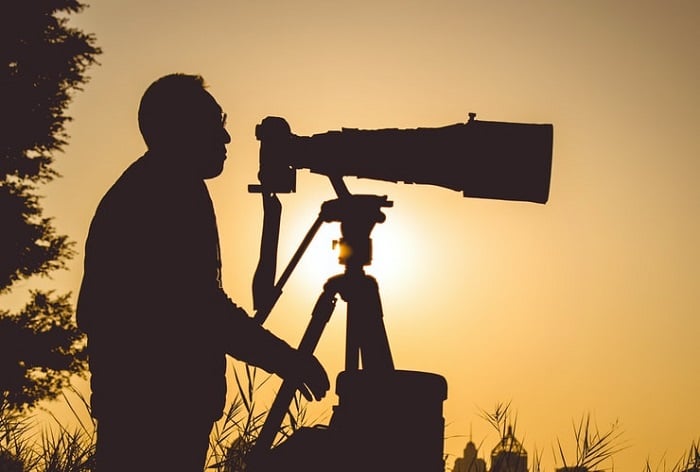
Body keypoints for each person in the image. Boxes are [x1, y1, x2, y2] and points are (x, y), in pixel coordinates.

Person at [76, 73, 330, 472]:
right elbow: (201, 309)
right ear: (181, 129)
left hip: (151, 409)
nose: (226, 139)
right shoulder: (163, 192)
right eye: (216, 125)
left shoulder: (164, 184)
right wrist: (287, 360)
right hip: (156, 415)